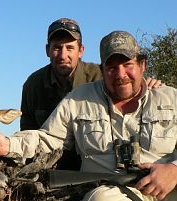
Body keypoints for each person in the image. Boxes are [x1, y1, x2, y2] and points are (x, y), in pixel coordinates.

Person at [0, 30, 177, 201]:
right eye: (111, 67)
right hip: (115, 195)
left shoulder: (170, 97)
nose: (120, 74)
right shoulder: (77, 99)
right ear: (102, 70)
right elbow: (48, 139)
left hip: (167, 187)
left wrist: (174, 170)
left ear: (143, 65)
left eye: (127, 64)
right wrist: (7, 144)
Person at [20, 18, 162, 170]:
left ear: (81, 50)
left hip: (94, 163)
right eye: (57, 48)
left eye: (69, 48)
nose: (62, 55)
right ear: (47, 50)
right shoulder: (33, 84)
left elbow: (127, 89)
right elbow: (28, 132)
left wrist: (146, 85)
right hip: (50, 164)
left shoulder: (100, 76)